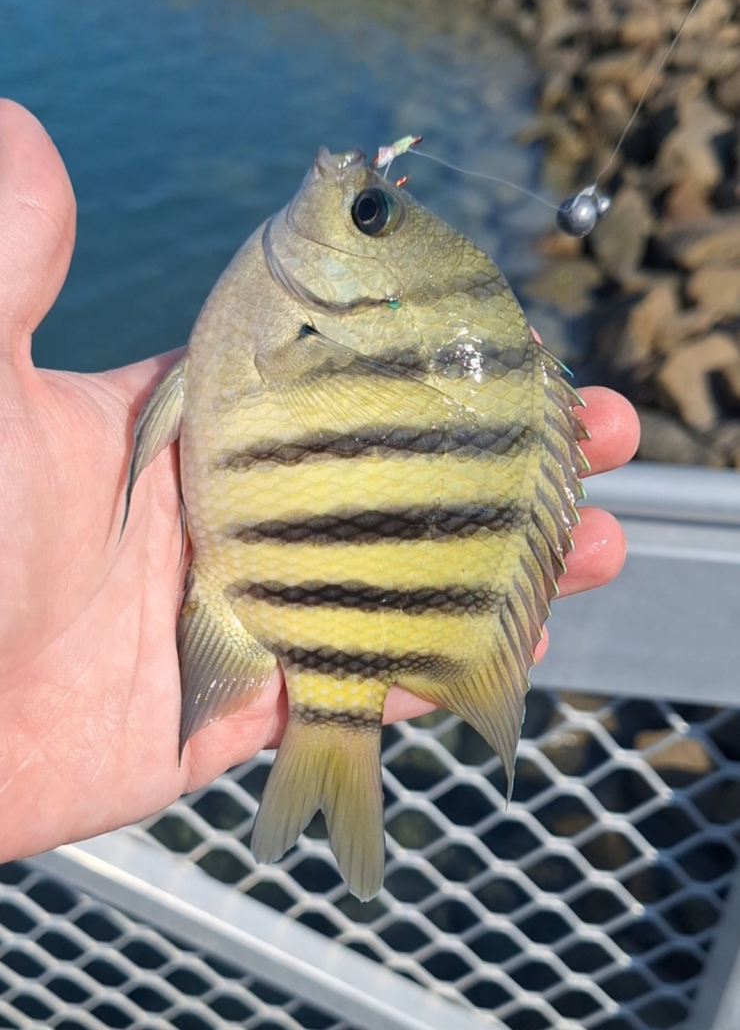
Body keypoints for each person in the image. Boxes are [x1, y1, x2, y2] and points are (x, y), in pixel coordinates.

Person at [0, 99, 640, 864]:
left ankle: (333, 723)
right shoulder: (312, 309)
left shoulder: (296, 307)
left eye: (368, 214)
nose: (348, 191)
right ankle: (336, 726)